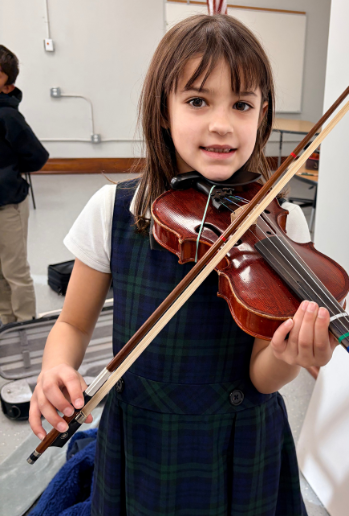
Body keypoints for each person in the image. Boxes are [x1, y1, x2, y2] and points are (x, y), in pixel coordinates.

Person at [29, 15, 329, 514]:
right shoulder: (115, 209)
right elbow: (73, 321)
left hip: (241, 435)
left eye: (242, 104)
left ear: (262, 113)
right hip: (144, 434)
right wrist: (56, 367)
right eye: (197, 100)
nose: (222, 123)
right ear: (163, 111)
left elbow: (262, 376)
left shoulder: (282, 223)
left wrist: (290, 355)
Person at [0, 44, 48, 324]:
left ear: (7, 84)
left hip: (8, 207)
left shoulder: (8, 116)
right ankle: (7, 323)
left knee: (15, 271)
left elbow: (37, 156)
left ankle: (26, 326)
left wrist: (9, 172)